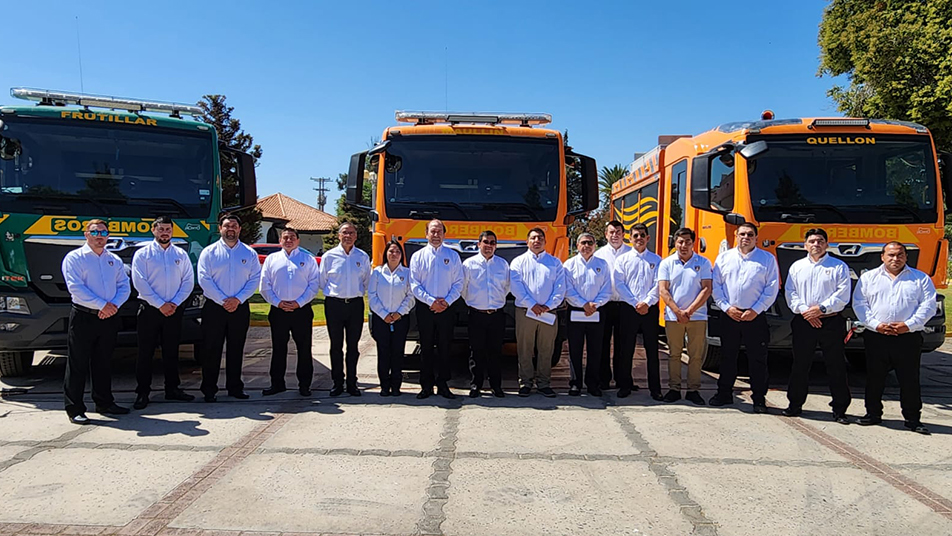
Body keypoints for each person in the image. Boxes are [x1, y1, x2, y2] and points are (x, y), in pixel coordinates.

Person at [853, 242, 935, 434]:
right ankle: (872, 414)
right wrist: (876, 325)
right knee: (874, 377)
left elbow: (928, 306)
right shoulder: (868, 278)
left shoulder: (920, 278)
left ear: (906, 257)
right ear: (882, 256)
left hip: (908, 337)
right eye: (890, 255)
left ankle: (913, 419)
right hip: (877, 336)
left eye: (899, 255)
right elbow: (860, 304)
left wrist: (909, 325)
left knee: (909, 379)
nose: (895, 259)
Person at [61, 219, 131, 424]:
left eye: (103, 232)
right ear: (86, 234)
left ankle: (104, 402)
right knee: (78, 363)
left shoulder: (114, 260)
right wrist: (102, 305)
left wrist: (113, 306)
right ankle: (75, 408)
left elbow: (124, 286)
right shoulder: (74, 258)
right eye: (95, 232)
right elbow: (75, 288)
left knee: (103, 362)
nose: (99, 236)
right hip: (84, 316)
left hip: (108, 317)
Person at [782, 228, 851, 423]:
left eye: (820, 241)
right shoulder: (797, 267)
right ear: (805, 245)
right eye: (811, 241)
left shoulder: (838, 266)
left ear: (827, 244)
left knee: (836, 365)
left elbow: (842, 294)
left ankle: (839, 409)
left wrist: (820, 309)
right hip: (804, 321)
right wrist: (806, 311)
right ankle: (795, 405)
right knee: (800, 365)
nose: (816, 244)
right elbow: (790, 292)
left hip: (831, 321)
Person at [710, 222, 780, 412]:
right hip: (730, 315)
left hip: (755, 317)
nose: (746, 237)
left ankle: (758, 399)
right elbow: (716, 286)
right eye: (742, 234)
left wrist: (756, 310)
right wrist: (726, 307)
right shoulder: (724, 258)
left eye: (750, 234)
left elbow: (771, 288)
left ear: (756, 238)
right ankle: (724, 394)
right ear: (736, 235)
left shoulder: (767, 259)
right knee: (727, 357)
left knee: (758, 359)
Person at [131, 216, 195, 410]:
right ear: (153, 230)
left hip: (173, 310)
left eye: (168, 229)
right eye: (161, 229)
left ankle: (172, 389)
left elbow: (188, 281)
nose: (165, 232)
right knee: (145, 353)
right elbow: (139, 281)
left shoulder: (180, 255)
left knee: (171, 352)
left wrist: (174, 303)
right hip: (150, 310)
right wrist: (160, 304)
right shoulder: (142, 254)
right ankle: (142, 392)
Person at [198, 213, 261, 402]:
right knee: (211, 349)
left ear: (240, 229)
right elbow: (204, 278)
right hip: (214, 308)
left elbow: (254, 279)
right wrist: (223, 300)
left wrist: (238, 300)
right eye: (227, 226)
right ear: (220, 229)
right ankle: (209, 389)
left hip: (239, 307)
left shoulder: (249, 253)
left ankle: (235, 387)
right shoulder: (208, 252)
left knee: (236, 348)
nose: (230, 229)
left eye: (234, 226)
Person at [260, 227, 321, 397]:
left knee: (304, 349)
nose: (288, 240)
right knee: (279, 348)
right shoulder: (272, 260)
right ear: (280, 241)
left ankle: (304, 385)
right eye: (285, 237)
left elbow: (313, 285)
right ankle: (277, 384)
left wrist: (298, 303)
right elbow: (265, 286)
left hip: (301, 311)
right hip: (278, 311)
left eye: (292, 237)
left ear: (298, 240)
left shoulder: (307, 259)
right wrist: (278, 303)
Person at [657, 227, 712, 405]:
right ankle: (674, 389)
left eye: (688, 242)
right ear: (675, 243)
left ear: (693, 243)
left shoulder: (703, 263)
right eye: (680, 241)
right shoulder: (666, 263)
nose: (684, 245)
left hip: (697, 316)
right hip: (674, 317)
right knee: (674, 354)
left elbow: (706, 288)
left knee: (695, 356)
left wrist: (689, 311)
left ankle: (693, 390)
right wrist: (677, 311)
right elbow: (663, 290)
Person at [409, 219, 464, 399]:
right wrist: (431, 301)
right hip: (425, 308)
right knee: (425, 347)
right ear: (426, 234)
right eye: (432, 231)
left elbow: (459, 283)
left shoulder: (453, 256)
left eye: (439, 231)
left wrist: (446, 302)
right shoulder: (417, 256)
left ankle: (443, 384)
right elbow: (414, 284)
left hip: (447, 309)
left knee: (444, 347)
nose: (436, 235)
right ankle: (426, 386)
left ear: (444, 234)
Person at [510, 227, 565, 398]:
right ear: (527, 241)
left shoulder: (555, 263)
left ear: (544, 241)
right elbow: (516, 287)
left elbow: (560, 288)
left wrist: (548, 306)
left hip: (549, 313)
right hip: (526, 311)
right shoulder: (518, 262)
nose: (537, 241)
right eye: (533, 238)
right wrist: (532, 304)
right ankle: (525, 383)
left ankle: (544, 383)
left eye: (540, 238)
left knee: (546, 349)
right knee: (524, 349)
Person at [320, 221, 372, 397]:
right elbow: (322, 281)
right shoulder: (329, 257)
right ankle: (337, 382)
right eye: (344, 233)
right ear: (339, 235)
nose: (348, 236)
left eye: (351, 232)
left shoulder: (363, 257)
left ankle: (352, 382)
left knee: (353, 346)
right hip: (334, 305)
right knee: (336, 346)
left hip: (355, 305)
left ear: (356, 236)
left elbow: (366, 281)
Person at [613, 223, 663, 399]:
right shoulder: (622, 260)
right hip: (629, 309)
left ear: (648, 238)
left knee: (652, 350)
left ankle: (655, 389)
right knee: (626, 349)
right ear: (630, 238)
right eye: (635, 236)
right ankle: (625, 385)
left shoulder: (657, 260)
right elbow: (619, 284)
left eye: (642, 235)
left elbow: (659, 284)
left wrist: (647, 302)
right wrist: (635, 303)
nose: (639, 238)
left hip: (650, 310)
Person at [461, 230, 510, 398]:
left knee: (495, 351)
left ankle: (496, 386)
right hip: (476, 314)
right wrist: (474, 302)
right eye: (486, 242)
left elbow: (507, 287)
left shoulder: (503, 264)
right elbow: (463, 288)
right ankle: (476, 385)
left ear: (496, 246)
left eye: (492, 243)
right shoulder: (468, 264)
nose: (489, 246)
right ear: (478, 244)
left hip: (496, 314)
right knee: (476, 351)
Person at [563, 233, 612, 396]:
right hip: (576, 312)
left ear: (595, 244)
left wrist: (594, 305)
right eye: (583, 242)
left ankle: (593, 383)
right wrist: (583, 304)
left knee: (595, 349)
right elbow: (568, 290)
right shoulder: (569, 265)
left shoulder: (602, 264)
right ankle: (575, 383)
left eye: (590, 242)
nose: (587, 245)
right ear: (577, 245)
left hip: (596, 312)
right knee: (575, 349)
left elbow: (607, 289)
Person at [369, 239, 414, 397]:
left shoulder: (407, 273)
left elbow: (410, 296)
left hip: (400, 319)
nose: (394, 254)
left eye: (397, 252)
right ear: (386, 254)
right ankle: (384, 386)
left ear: (401, 255)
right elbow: (372, 296)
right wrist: (384, 314)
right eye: (391, 251)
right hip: (381, 320)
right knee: (383, 352)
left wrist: (399, 313)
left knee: (397, 353)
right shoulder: (377, 272)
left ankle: (396, 386)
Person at [593, 220, 631, 391]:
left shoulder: (631, 253)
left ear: (623, 234)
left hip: (625, 305)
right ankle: (603, 379)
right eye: (611, 232)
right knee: (602, 343)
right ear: (605, 235)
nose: (615, 235)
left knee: (623, 345)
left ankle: (624, 380)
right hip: (604, 305)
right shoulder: (599, 255)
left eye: (618, 232)